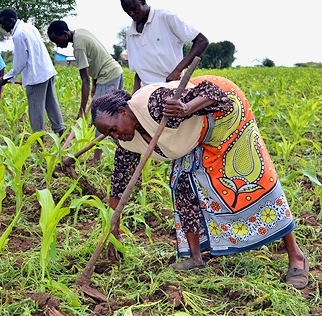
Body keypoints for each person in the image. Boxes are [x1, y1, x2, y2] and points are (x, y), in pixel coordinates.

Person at [90, 75, 309, 289]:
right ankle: (195, 258)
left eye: (113, 129)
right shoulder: (127, 143)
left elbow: (215, 93)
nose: (115, 136)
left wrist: (185, 109)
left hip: (225, 116)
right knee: (182, 183)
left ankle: (296, 256)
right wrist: (114, 230)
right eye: (109, 134)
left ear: (122, 112)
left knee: (254, 179)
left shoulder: (153, 104)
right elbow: (119, 185)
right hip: (195, 133)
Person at [109, 0, 210, 231]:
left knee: (181, 156)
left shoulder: (165, 18)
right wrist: (132, 102)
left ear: (143, 1)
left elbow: (202, 41)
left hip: (171, 97)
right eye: (126, 11)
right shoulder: (131, 34)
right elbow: (137, 72)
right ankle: (131, 195)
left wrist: (178, 69)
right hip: (144, 104)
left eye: (133, 7)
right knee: (125, 145)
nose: (131, 14)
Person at [47, 20, 123, 161]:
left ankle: (96, 159)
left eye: (57, 41)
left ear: (64, 34)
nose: (58, 45)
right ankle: (122, 148)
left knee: (101, 117)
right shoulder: (80, 33)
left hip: (107, 76)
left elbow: (84, 80)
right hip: (114, 71)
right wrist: (95, 83)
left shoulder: (78, 47)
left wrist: (82, 110)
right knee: (115, 114)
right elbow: (95, 58)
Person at [0, 9, 66, 136]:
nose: (3, 27)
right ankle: (60, 130)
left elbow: (20, 61)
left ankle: (38, 137)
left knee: (35, 109)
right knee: (51, 103)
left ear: (11, 20)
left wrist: (6, 77)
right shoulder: (29, 27)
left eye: (4, 23)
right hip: (46, 70)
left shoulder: (18, 34)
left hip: (36, 76)